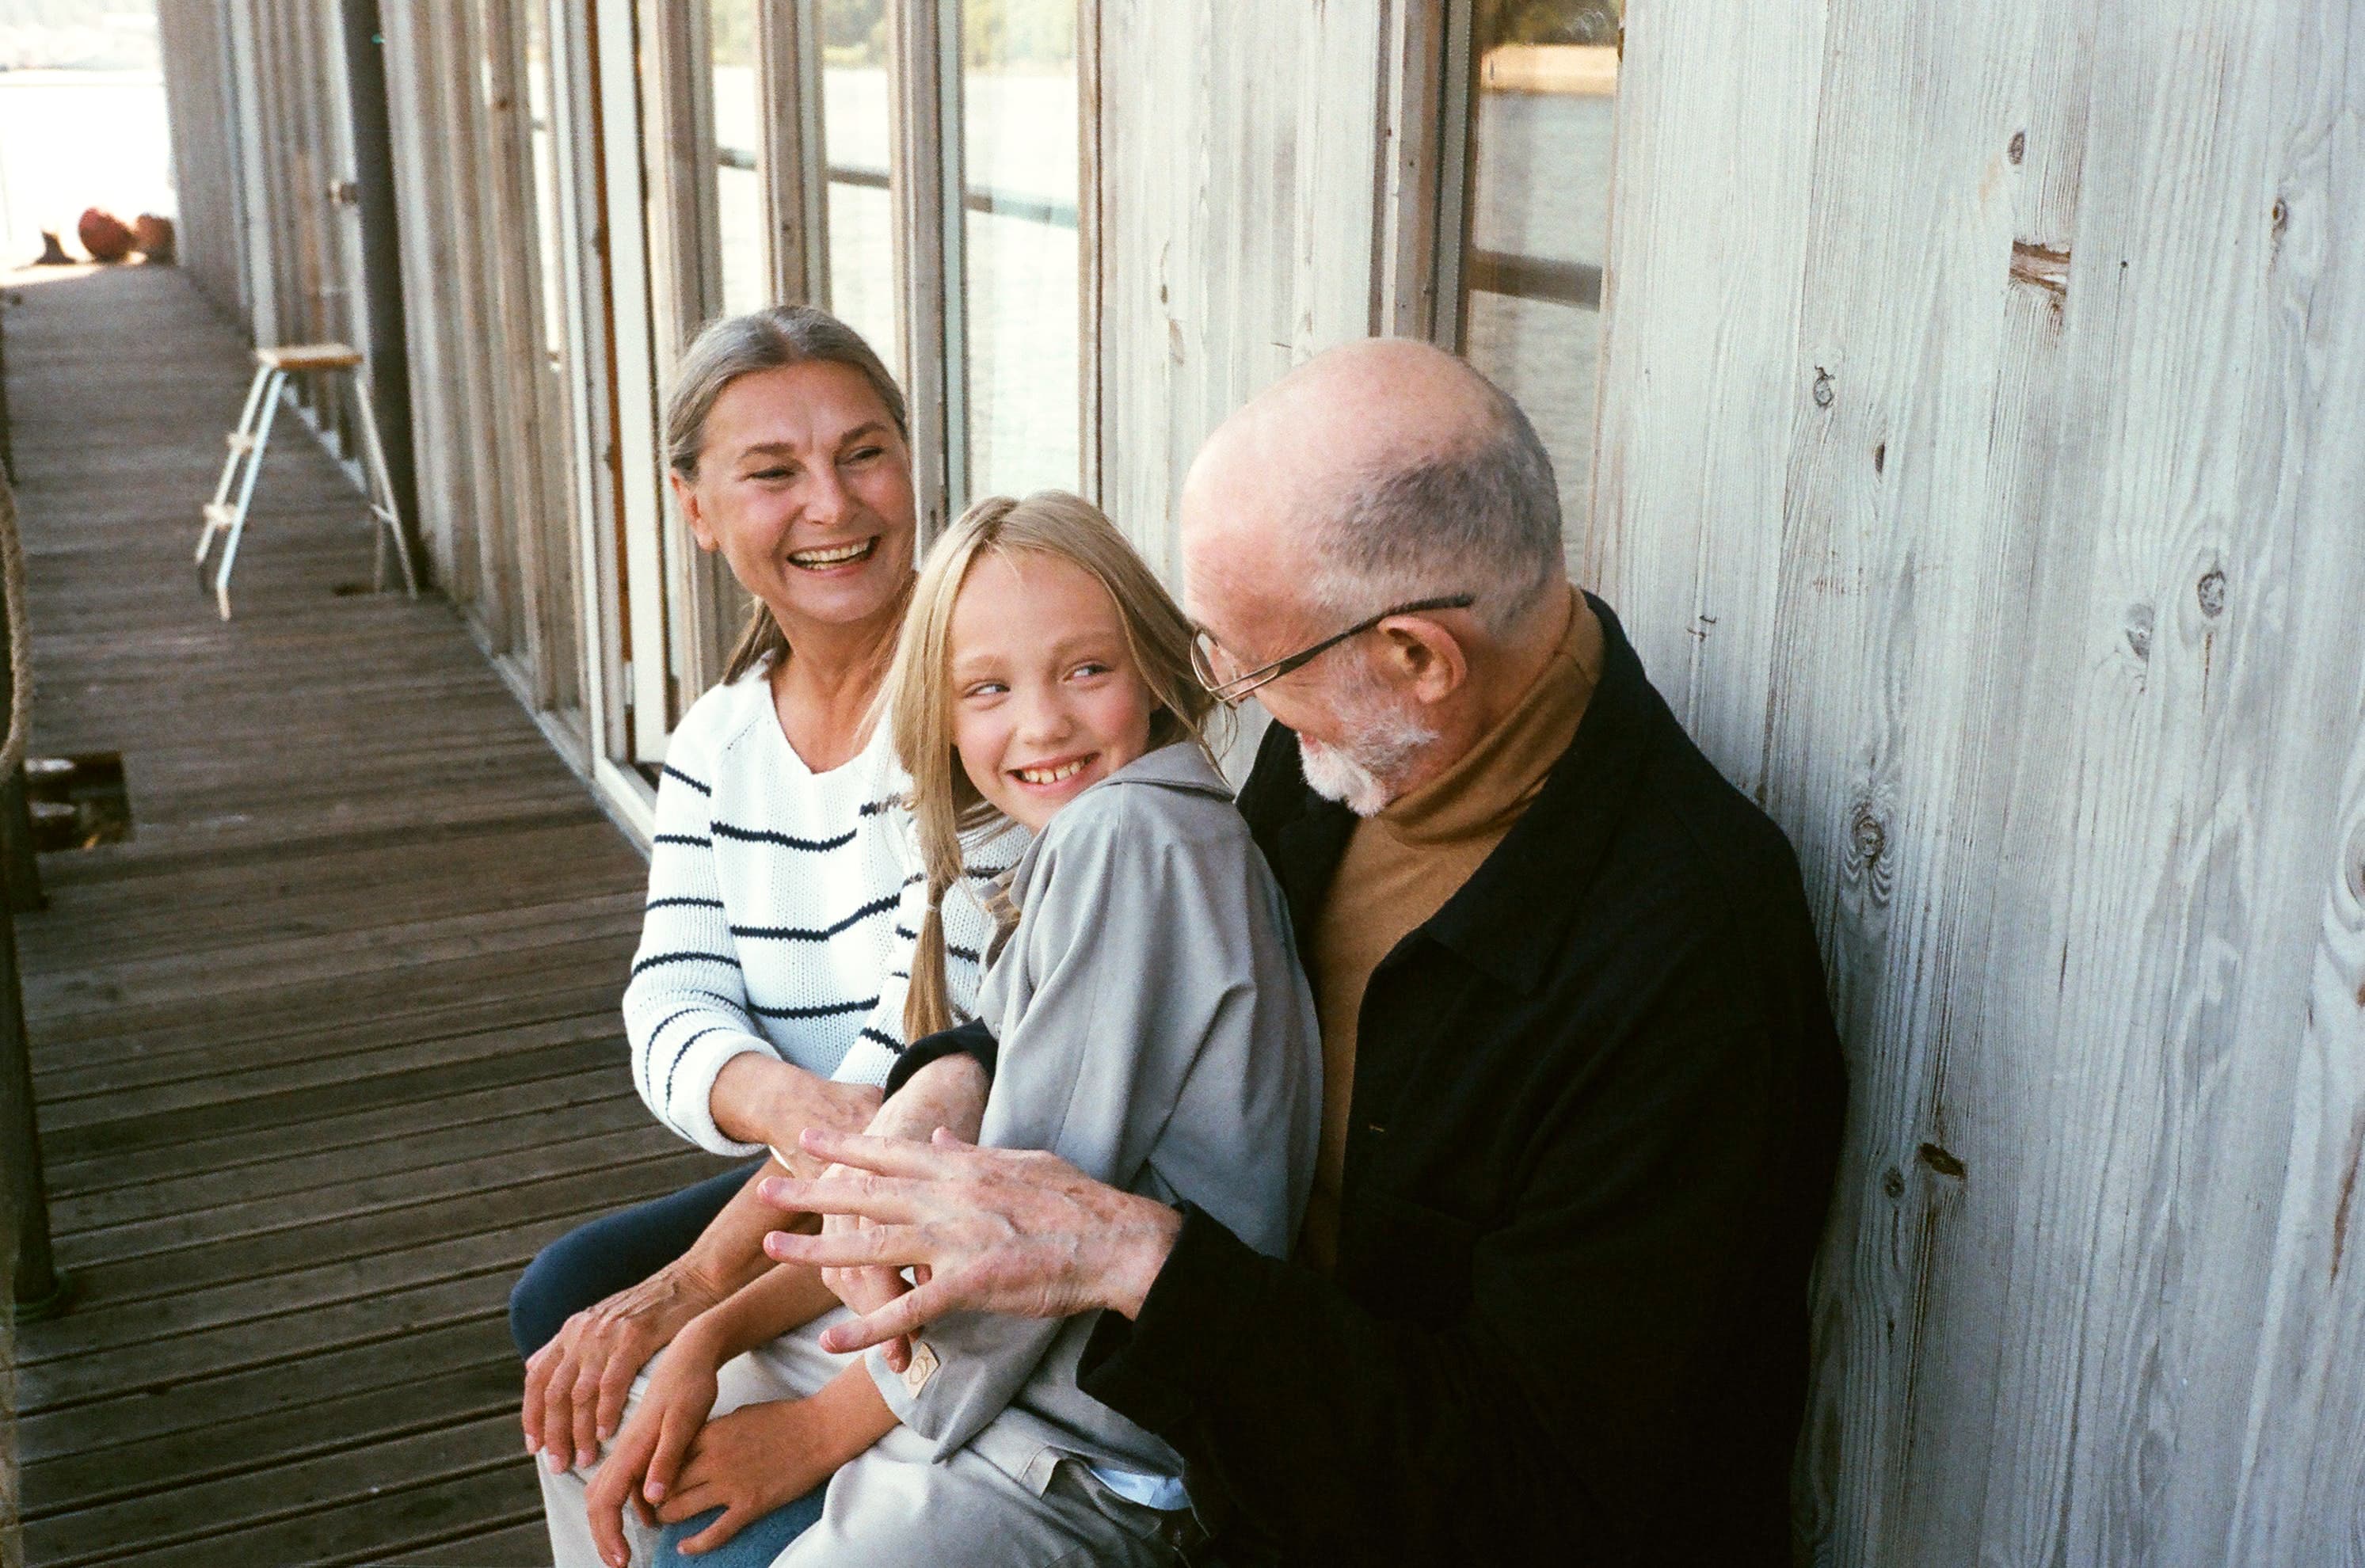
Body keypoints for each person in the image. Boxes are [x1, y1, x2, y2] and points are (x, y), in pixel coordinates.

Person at [760, 339, 1850, 1565]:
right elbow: (1144, 996)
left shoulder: (1685, 963)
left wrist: (1140, 1264)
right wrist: (954, 1070)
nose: (1220, 692)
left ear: (1415, 658)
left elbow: (1544, 1496)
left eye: (1248, 659)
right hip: (1167, 1413)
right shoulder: (1351, 752)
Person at [539, 491, 1322, 1567]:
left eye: (1086, 670)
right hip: (976, 1371)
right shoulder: (1075, 843)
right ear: (942, 717)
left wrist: (809, 1434)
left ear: (1154, 663)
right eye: (987, 689)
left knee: (666, 1469)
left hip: (1073, 1440)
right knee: (618, 1412)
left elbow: (1015, 1249)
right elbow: (928, 1188)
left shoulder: (1133, 841)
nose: (1040, 723)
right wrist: (712, 1327)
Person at [510, 306, 1017, 1555]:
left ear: (913, 465)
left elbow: (915, 1071)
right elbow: (670, 1002)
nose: (832, 507)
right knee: (564, 1298)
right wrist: (782, 1105)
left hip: (968, 1175)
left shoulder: (989, 709)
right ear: (696, 508)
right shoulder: (720, 736)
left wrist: (694, 1292)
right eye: (773, 473)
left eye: (863, 453)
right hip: (820, 1175)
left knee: (640, 1342)